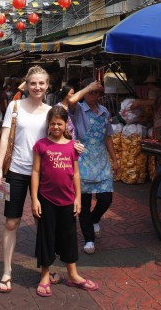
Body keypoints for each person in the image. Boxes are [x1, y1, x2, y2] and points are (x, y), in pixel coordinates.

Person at [0, 66, 53, 293]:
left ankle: (45, 269)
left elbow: (59, 137)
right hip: (16, 171)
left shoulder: (51, 110)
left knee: (43, 221)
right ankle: (7, 271)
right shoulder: (14, 106)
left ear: (47, 86)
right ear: (26, 85)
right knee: (11, 222)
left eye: (41, 83)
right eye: (33, 83)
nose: (37, 87)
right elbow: (5, 137)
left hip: (44, 174)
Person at [31, 106, 98, 297]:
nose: (56, 127)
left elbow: (76, 173)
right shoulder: (41, 145)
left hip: (68, 200)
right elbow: (35, 172)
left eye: (59, 123)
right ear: (48, 124)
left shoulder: (72, 146)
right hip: (46, 199)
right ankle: (45, 275)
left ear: (66, 123)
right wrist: (34, 199)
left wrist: (78, 198)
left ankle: (73, 274)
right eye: (52, 123)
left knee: (69, 237)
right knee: (46, 237)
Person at [68, 79, 118, 255]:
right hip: (82, 160)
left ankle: (95, 219)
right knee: (84, 202)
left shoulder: (104, 112)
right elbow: (72, 100)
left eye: (97, 92)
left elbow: (108, 137)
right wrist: (88, 87)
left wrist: (115, 159)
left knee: (106, 198)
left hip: (101, 160)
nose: (94, 95)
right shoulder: (79, 109)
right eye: (91, 92)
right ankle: (89, 238)